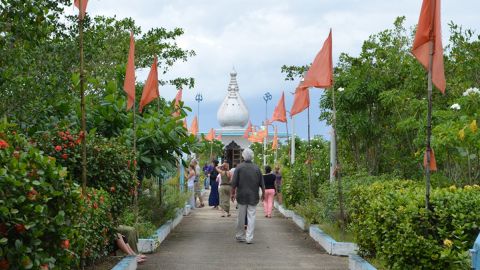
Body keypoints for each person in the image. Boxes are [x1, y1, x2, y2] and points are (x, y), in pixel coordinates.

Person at [231, 148, 265, 244]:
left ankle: (240, 235)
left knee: (241, 217)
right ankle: (249, 238)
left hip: (241, 195)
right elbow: (262, 183)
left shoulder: (239, 167)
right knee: (252, 216)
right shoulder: (257, 168)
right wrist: (263, 194)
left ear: (243, 156)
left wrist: (232, 193)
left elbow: (234, 183)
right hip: (253, 196)